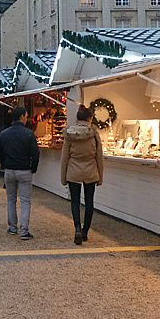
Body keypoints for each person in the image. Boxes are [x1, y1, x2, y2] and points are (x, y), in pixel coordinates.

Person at [60, 105, 104, 245]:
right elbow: (99, 157)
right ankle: (85, 232)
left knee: (75, 202)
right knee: (89, 202)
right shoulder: (94, 134)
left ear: (77, 118)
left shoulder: (69, 134)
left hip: (73, 171)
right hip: (91, 171)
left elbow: (65, 157)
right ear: (90, 118)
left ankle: (77, 228)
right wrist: (100, 176)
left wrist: (63, 177)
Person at [0, 106, 39, 240]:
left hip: (9, 169)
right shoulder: (29, 133)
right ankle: (24, 230)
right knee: (25, 200)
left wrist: (4, 165)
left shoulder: (4, 133)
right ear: (22, 117)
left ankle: (12, 227)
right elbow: (35, 154)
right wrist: (33, 168)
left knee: (11, 199)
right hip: (24, 169)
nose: (27, 119)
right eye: (26, 116)